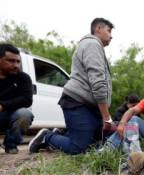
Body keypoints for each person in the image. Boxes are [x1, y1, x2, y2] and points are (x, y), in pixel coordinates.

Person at [29, 18, 114, 154]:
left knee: (103, 140)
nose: (111, 36)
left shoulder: (93, 46)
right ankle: (47, 137)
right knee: (79, 148)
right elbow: (98, 82)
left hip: (90, 106)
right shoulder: (92, 44)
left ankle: (64, 134)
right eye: (109, 31)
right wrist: (106, 116)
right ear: (98, 29)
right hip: (78, 103)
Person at [0, 44, 33, 154]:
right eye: (11, 61)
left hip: (11, 116)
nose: (16, 65)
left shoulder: (23, 78)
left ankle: (10, 145)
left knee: (25, 114)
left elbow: (27, 100)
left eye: (18, 61)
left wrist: (3, 105)